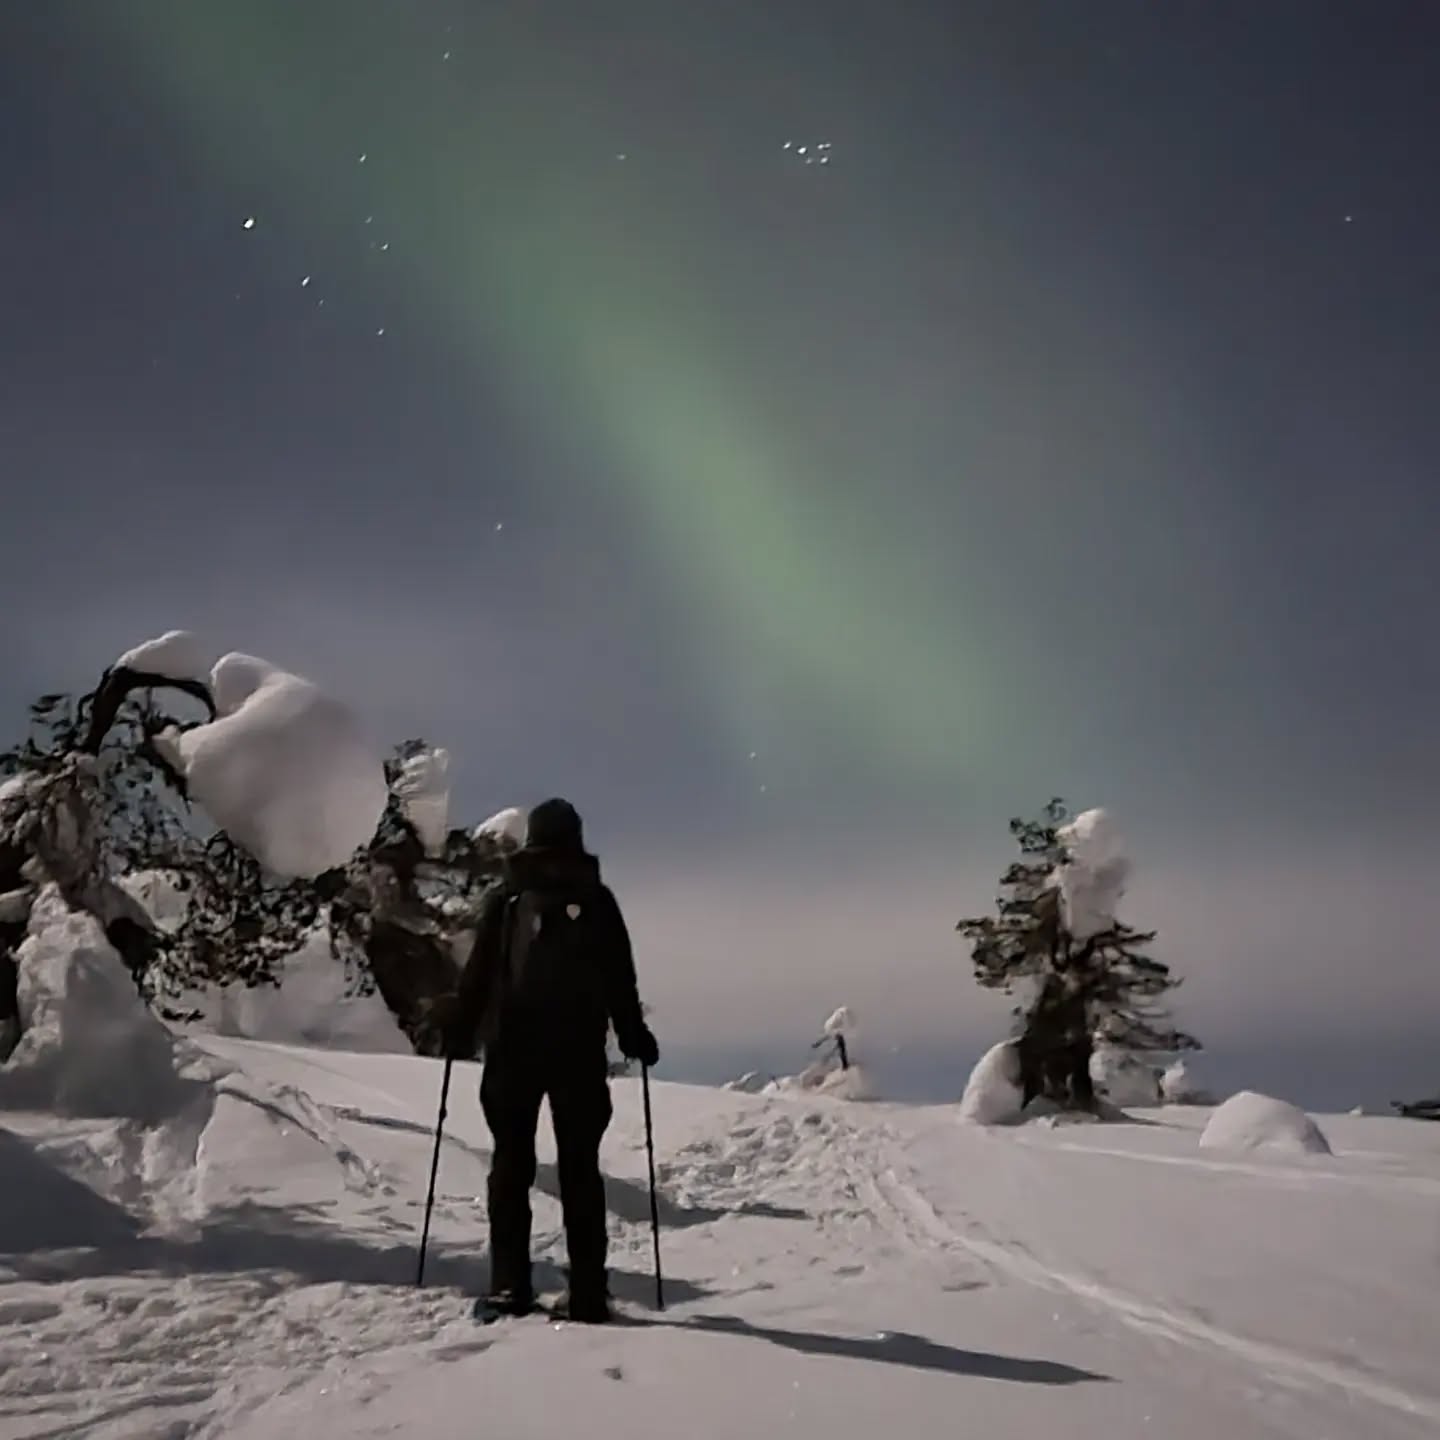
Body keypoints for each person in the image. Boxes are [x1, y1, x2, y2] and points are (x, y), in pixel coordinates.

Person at [433, 798, 658, 1323]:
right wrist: (633, 1035)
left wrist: (460, 1028)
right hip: (578, 1051)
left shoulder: (508, 898)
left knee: (511, 1165)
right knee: (580, 1168)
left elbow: (479, 975)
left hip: (513, 1049)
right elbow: (619, 978)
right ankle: (588, 1293)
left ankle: (510, 1285)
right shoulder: (597, 900)